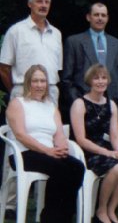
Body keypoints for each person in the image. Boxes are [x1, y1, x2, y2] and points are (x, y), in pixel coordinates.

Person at [0, 0, 62, 217]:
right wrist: (17, 93)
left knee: (50, 137)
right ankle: (10, 204)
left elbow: (57, 70)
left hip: (50, 91)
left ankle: (45, 204)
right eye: (39, 1)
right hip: (21, 91)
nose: (43, 5)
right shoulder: (16, 31)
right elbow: (4, 67)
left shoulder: (56, 33)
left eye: (47, 2)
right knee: (17, 143)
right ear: (29, 4)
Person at [5, 65, 84, 223]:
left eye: (43, 81)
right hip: (23, 153)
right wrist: (47, 150)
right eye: (35, 81)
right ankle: (50, 217)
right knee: (60, 169)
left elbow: (59, 133)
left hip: (48, 152)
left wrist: (62, 149)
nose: (39, 85)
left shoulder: (51, 106)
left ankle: (64, 216)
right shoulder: (17, 103)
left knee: (77, 167)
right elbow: (20, 134)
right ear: (28, 82)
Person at [70, 64, 118, 223]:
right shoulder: (79, 103)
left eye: (104, 77)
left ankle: (111, 209)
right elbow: (80, 139)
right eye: (96, 78)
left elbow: (114, 134)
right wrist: (108, 153)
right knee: (117, 167)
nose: (100, 81)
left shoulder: (110, 104)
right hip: (83, 151)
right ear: (89, 81)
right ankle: (101, 210)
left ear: (108, 80)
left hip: (103, 148)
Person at [62, 2, 118, 121]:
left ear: (107, 18)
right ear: (88, 17)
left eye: (103, 15)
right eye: (96, 14)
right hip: (84, 108)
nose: (100, 18)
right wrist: (79, 103)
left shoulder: (117, 44)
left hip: (112, 107)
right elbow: (67, 79)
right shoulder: (74, 42)